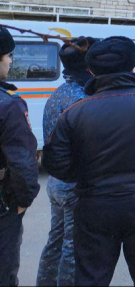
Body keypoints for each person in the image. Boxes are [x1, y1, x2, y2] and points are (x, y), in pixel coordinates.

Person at [42, 36, 135, 286]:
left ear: (91, 70)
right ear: (133, 66)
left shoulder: (75, 112)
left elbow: (56, 163)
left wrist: (86, 176)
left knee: (91, 276)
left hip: (94, 205)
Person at [37, 37, 97, 287]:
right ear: (88, 66)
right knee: (74, 247)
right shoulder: (83, 98)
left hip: (56, 184)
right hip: (74, 185)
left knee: (56, 240)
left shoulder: (58, 93)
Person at [0, 27, 40, 286]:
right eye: (8, 56)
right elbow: (22, 161)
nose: (11, 61)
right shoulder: (9, 104)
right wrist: (23, 201)